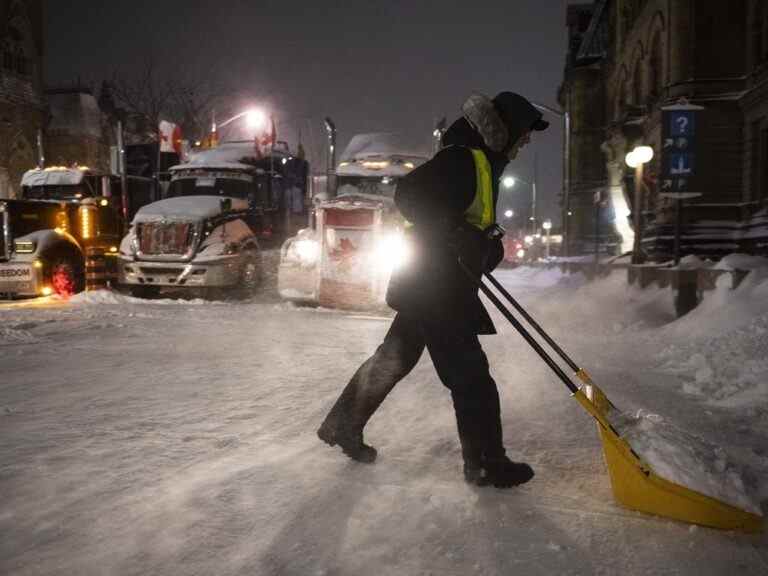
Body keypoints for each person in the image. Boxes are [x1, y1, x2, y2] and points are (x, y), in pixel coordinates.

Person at [317, 91, 549, 488]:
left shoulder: (483, 162)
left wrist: (483, 243)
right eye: (524, 132)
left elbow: (464, 220)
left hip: (434, 282)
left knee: (394, 357)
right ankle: (486, 463)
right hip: (438, 288)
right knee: (471, 377)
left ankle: (343, 424)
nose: (526, 141)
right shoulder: (463, 157)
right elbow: (410, 193)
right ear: (505, 127)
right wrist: (458, 233)